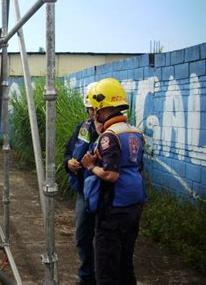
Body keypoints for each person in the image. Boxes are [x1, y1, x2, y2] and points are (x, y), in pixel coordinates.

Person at [81, 78, 146, 285]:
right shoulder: (134, 131)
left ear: (102, 106)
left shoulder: (110, 136)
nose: (93, 114)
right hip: (134, 204)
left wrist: (91, 167)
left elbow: (111, 174)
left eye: (95, 109)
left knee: (107, 267)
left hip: (114, 208)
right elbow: (138, 166)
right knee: (125, 263)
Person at [63, 82, 100, 285]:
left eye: (96, 109)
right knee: (82, 237)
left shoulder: (113, 133)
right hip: (84, 194)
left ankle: (104, 277)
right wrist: (69, 163)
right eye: (90, 108)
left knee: (105, 240)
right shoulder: (83, 128)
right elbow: (68, 152)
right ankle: (87, 277)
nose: (93, 113)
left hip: (105, 194)